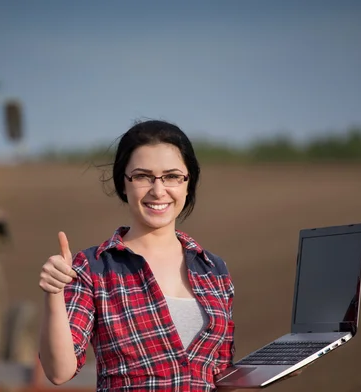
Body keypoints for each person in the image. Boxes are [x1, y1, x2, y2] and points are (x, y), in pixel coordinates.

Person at [38, 119, 262, 391]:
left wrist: (264, 376)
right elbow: (59, 371)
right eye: (143, 176)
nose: (158, 190)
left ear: (188, 183)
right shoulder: (93, 268)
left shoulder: (213, 269)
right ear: (124, 183)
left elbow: (219, 377)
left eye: (171, 176)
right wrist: (54, 293)